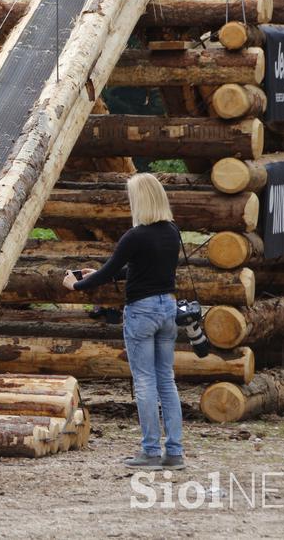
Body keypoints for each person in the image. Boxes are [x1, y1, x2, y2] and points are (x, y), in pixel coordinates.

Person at [61, 173, 185, 471]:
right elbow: (140, 270)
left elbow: (110, 271)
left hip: (141, 312)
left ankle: (150, 451)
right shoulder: (172, 231)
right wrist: (103, 273)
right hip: (167, 308)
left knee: (144, 381)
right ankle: (175, 452)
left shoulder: (135, 236)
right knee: (166, 380)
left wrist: (76, 285)